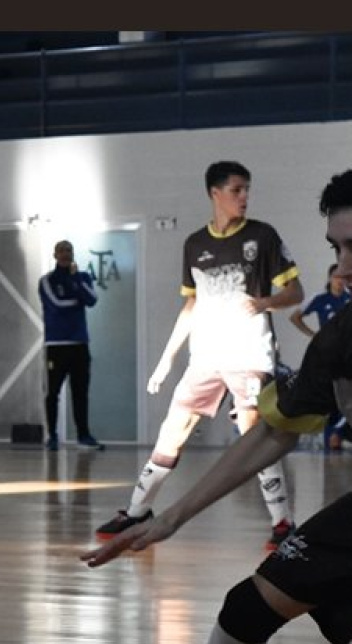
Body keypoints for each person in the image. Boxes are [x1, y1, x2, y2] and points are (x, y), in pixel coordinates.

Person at [80, 168, 352, 644]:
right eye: (337, 249)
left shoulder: (264, 241)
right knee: (242, 616)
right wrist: (168, 518)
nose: (344, 266)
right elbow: (274, 431)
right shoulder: (339, 340)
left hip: (246, 355)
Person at [95, 161, 304, 548]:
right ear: (215, 193)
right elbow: (190, 306)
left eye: (247, 189)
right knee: (172, 431)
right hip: (206, 356)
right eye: (237, 189)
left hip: (249, 355)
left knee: (254, 436)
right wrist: (166, 360)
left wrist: (265, 303)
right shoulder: (194, 244)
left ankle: (282, 523)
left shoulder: (262, 236)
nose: (245, 196)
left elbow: (296, 293)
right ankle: (137, 510)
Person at [38, 239, 103, 451]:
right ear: (55, 255)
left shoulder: (83, 277)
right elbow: (56, 304)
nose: (66, 254)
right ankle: (52, 435)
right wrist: (77, 299)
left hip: (79, 344)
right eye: (62, 251)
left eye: (69, 250)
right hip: (56, 345)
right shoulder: (47, 280)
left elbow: (92, 300)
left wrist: (75, 281)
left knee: (80, 392)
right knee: (52, 392)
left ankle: (83, 435)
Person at [289, 262, 351, 450]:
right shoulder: (320, 298)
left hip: (347, 354)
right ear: (330, 278)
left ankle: (339, 434)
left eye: (342, 278)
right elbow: (295, 317)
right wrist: (313, 335)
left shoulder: (348, 299)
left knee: (345, 397)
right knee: (330, 398)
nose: (339, 281)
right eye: (336, 277)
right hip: (329, 355)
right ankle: (330, 439)